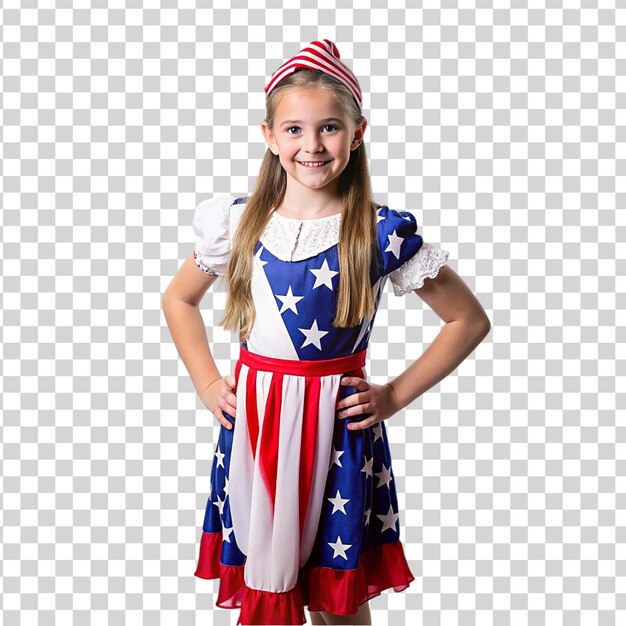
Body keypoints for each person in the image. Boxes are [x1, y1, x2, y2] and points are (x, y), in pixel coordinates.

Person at [162, 39, 490, 626]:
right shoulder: (239, 223)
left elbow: (467, 320)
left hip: (336, 432)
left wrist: (392, 395)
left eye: (329, 128)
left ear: (358, 132)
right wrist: (209, 382)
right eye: (294, 129)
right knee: (266, 577)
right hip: (256, 423)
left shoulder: (379, 231)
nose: (311, 145)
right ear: (269, 136)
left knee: (336, 603)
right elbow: (179, 298)